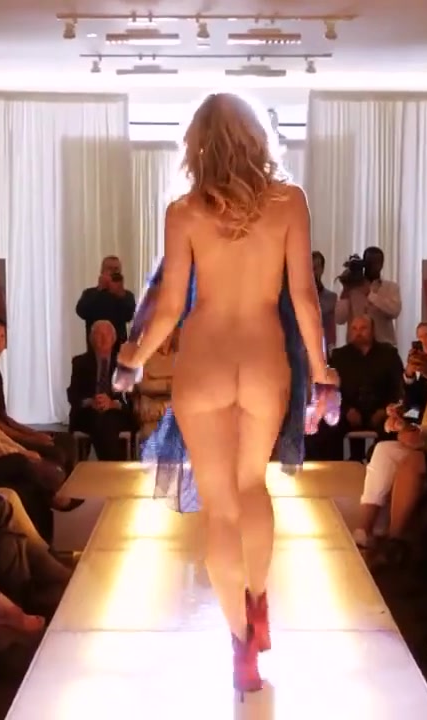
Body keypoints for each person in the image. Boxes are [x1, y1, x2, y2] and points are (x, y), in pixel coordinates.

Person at [114, 92, 336, 696]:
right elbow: (304, 297)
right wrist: (324, 371)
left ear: (197, 145)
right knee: (251, 487)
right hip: (264, 359)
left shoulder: (184, 212)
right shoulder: (290, 202)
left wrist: (133, 357)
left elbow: (169, 305)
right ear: (256, 138)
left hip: (204, 359)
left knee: (219, 507)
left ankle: (241, 646)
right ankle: (258, 600)